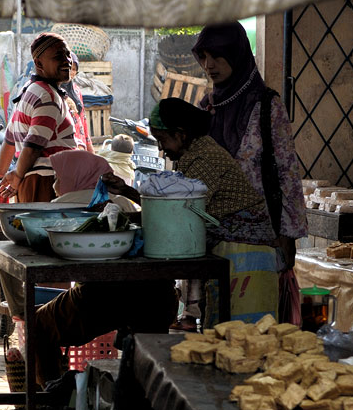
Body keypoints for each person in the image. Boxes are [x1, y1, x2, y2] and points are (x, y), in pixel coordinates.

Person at [105, 98, 279, 324]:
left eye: (162, 140)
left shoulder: (202, 157)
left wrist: (129, 198)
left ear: (181, 134)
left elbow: (176, 211)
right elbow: (173, 207)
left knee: (245, 338)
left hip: (246, 254)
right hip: (233, 250)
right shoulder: (192, 154)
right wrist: (126, 191)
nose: (160, 148)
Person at [192, 22, 307, 271]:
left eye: (217, 56)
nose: (209, 65)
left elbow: (287, 173)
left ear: (237, 53)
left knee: (255, 307)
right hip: (210, 238)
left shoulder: (267, 106)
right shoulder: (206, 108)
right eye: (204, 57)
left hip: (260, 238)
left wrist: (288, 235)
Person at [0, 32, 79, 202]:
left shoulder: (30, 90)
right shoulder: (47, 97)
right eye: (58, 56)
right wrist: (16, 176)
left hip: (34, 182)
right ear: (39, 63)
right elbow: (33, 145)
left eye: (68, 54)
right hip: (46, 182)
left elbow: (10, 138)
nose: (67, 61)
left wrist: (1, 171)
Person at [48, 150, 138, 212]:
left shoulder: (55, 207)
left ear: (70, 178)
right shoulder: (122, 202)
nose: (53, 185)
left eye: (57, 179)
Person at [62, 51, 95, 153]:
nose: (71, 72)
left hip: (80, 144)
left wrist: (90, 149)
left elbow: (83, 120)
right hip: (65, 145)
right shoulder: (53, 91)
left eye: (74, 69)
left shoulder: (76, 90)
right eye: (69, 68)